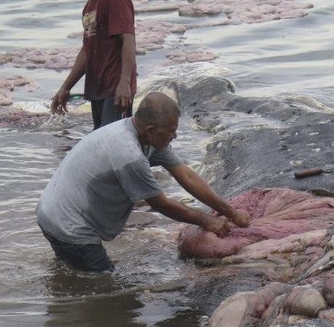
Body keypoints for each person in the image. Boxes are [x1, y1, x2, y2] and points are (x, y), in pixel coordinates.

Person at [37, 92, 251, 272]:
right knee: (109, 290)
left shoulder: (144, 136)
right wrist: (206, 220)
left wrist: (229, 211)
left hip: (51, 212)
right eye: (171, 131)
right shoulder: (129, 155)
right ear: (151, 130)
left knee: (70, 274)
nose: (175, 136)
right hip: (70, 226)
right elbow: (160, 204)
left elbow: (186, 175)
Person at [51, 0, 137, 129]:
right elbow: (86, 51)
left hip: (115, 90)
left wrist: (124, 84)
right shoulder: (90, 5)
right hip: (97, 90)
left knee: (111, 148)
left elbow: (128, 40)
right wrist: (66, 87)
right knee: (100, 145)